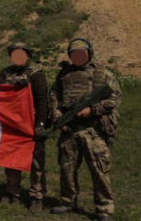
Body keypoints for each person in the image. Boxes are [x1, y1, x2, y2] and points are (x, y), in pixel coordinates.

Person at [50, 38, 121, 221]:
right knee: (67, 168)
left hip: (94, 129)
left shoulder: (102, 73)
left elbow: (114, 99)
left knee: (99, 170)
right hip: (70, 129)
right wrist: (57, 115)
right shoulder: (64, 74)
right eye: (74, 54)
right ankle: (67, 201)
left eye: (82, 54)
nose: (78, 57)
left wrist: (92, 110)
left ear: (89, 53)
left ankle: (104, 209)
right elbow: (54, 95)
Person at [0, 42, 49, 212]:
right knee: (11, 160)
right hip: (11, 126)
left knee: (36, 163)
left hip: (30, 126)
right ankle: (12, 192)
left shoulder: (36, 75)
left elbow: (42, 102)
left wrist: (40, 125)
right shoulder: (5, 73)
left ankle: (36, 197)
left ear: (27, 55)